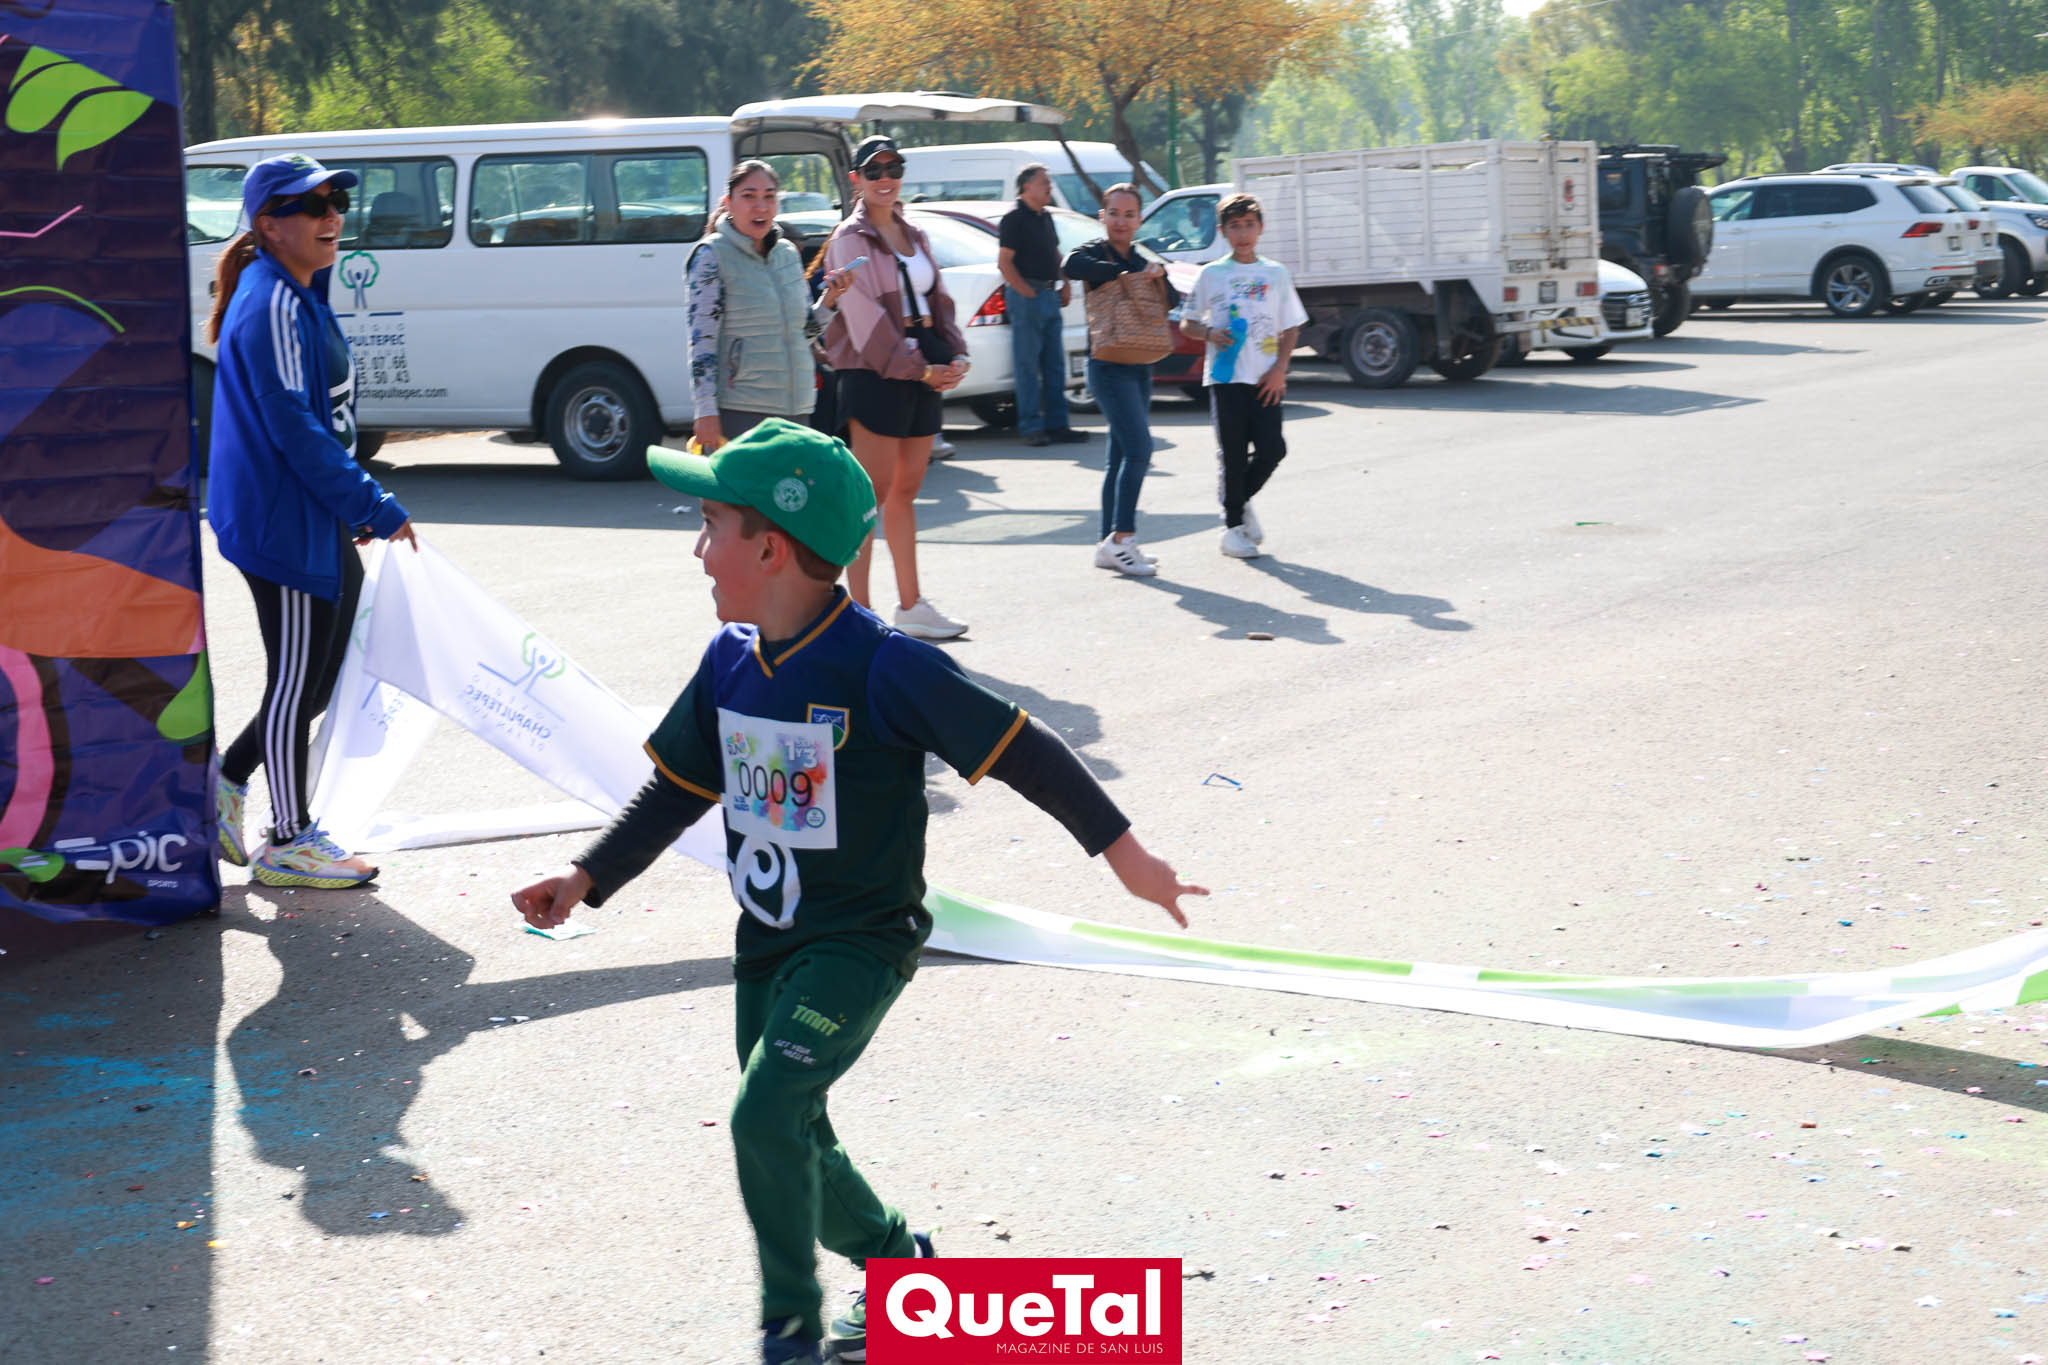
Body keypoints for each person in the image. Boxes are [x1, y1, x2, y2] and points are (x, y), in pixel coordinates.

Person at [510, 419, 1205, 1365]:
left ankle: (796, 1327)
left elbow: (1026, 751)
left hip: (861, 940)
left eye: (711, 525)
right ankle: (897, 1267)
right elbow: (678, 787)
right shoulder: (728, 661)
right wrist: (587, 874)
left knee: (764, 1113)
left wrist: (1127, 857)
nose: (698, 549)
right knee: (792, 1128)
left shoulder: (885, 664)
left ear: (771, 547)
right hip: (767, 940)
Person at [206, 153, 419, 889]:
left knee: (322, 677)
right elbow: (294, 430)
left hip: (311, 512)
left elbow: (322, 419)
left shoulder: (299, 289)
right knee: (298, 680)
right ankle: (289, 840)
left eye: (336, 203)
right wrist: (370, 504)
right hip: (283, 524)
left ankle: (223, 783)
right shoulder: (270, 301)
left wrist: (346, 503)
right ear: (269, 225)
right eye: (311, 205)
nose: (332, 217)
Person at [820, 135, 970, 640]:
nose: (886, 178)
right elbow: (864, 321)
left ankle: (911, 605)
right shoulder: (849, 238)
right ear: (856, 179)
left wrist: (955, 353)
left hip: (921, 360)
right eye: (874, 170)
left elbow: (939, 300)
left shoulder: (915, 232)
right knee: (870, 496)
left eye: (894, 168)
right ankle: (858, 616)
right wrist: (920, 370)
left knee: (906, 491)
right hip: (875, 369)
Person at [687, 161, 855, 451]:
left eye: (769, 196)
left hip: (797, 409)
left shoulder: (788, 253)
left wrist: (830, 300)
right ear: (728, 203)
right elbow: (702, 343)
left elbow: (803, 334)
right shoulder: (710, 255)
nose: (761, 206)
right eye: (749, 196)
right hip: (741, 411)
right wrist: (705, 411)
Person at [1179, 192, 1309, 560]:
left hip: (1266, 378)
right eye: (1235, 227)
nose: (1243, 234)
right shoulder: (1212, 274)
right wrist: (1209, 333)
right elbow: (1188, 323)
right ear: (1223, 232)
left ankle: (1237, 499)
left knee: (1273, 449)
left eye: (1249, 225)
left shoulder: (1275, 273)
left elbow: (1291, 328)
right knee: (1233, 455)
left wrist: (1280, 370)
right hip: (1226, 378)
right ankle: (1233, 528)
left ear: (1261, 228)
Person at [1063, 182, 1179, 577]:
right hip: (1107, 365)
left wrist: (1157, 274)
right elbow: (1071, 266)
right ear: (1102, 215)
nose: (1121, 221)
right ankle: (1122, 539)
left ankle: (1107, 543)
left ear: (1140, 219)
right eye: (1114, 213)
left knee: (1120, 456)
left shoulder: (1143, 255)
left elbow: (1173, 299)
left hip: (1140, 361)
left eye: (1129, 215)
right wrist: (1125, 273)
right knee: (1140, 450)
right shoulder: (1095, 251)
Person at [997, 163, 1088, 448]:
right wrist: (1025, 291)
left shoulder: (1045, 216)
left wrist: (1065, 282)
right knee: (1027, 366)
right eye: (1044, 183)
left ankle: (1057, 425)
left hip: (1049, 295)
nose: (1050, 188)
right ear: (1027, 187)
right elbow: (1004, 262)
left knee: (1054, 365)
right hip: (1028, 296)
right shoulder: (1014, 218)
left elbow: (1054, 252)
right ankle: (1031, 426)